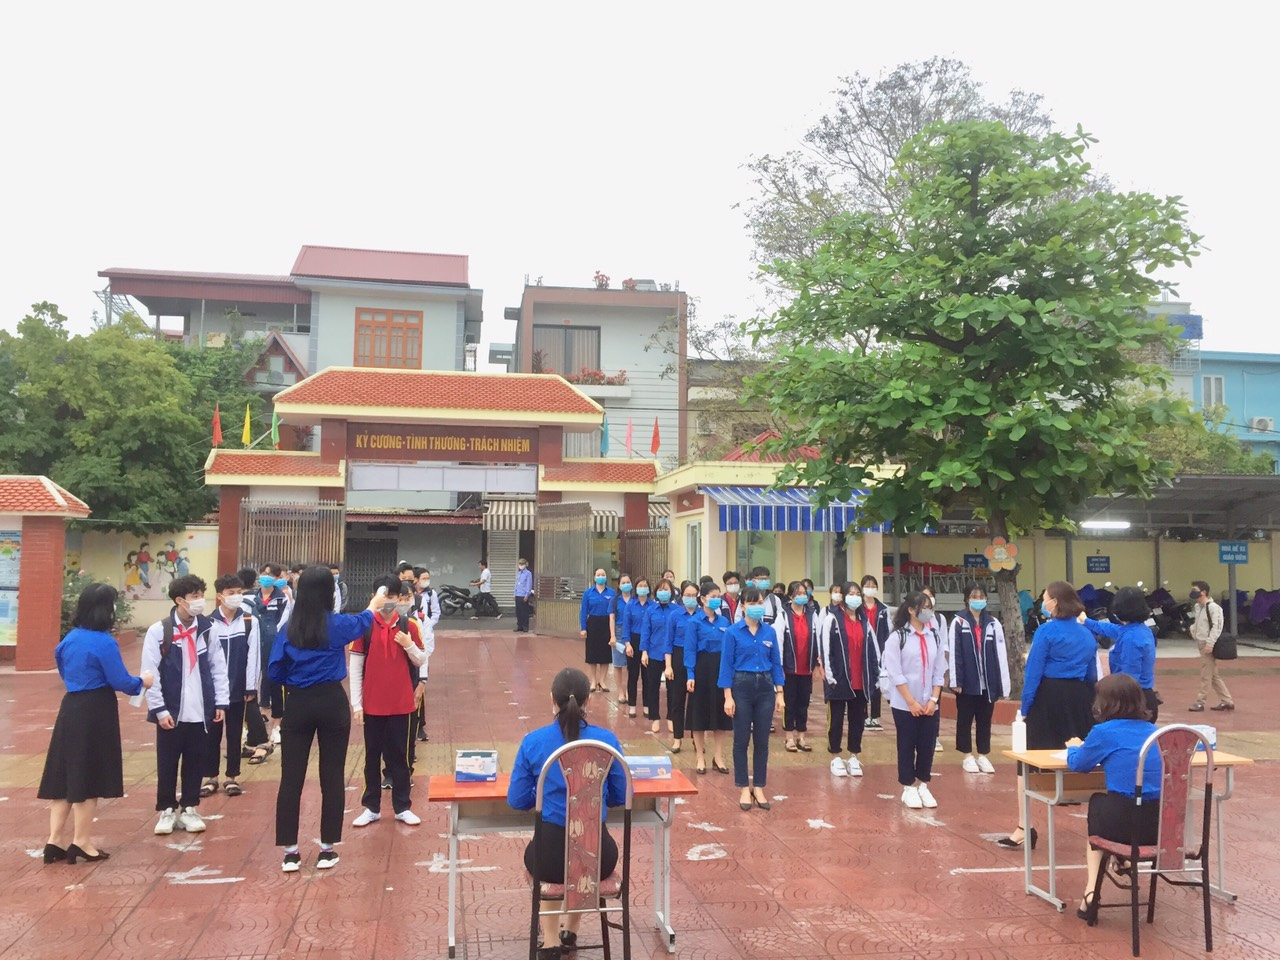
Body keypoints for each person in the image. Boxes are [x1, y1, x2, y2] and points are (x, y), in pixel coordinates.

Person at [509, 667, 628, 960]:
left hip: (548, 858)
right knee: (579, 856)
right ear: (587, 701)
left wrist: (543, 795)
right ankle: (570, 930)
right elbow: (621, 795)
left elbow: (517, 799)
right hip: (598, 858)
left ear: (552, 699)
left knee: (550, 855)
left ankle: (550, 942)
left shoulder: (533, 742)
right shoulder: (606, 741)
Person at [269, 566, 381, 872]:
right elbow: (364, 620)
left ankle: (290, 852)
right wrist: (375, 601)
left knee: (291, 778)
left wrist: (295, 679)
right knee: (332, 776)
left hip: (298, 702)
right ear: (328, 593)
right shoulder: (337, 624)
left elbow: (274, 671)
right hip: (332, 701)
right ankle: (327, 849)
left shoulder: (289, 629)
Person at [38, 583, 153, 864]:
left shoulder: (70, 638)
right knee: (89, 776)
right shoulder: (104, 642)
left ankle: (54, 840)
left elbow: (63, 669)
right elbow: (121, 682)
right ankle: (82, 841)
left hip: (71, 706)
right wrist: (143, 681)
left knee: (64, 775)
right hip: (96, 710)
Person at [1002, 580, 1097, 849]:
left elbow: (1033, 672)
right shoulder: (1087, 634)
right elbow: (1092, 675)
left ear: (1055, 603)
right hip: (1080, 699)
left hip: (1048, 699)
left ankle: (1024, 826)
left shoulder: (1046, 631)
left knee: (1027, 761)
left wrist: (1025, 709)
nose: (1043, 603)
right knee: (1082, 760)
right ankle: (1097, 829)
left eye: (1045, 598)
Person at [1066, 673, 1163, 921]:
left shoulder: (1104, 732)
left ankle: (1091, 890)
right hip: (1160, 826)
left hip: (1122, 823)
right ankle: (1122, 861)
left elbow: (1079, 764)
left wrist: (1073, 747)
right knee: (1121, 804)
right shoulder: (1156, 733)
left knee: (1099, 803)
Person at [142, 575, 230, 837]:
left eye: (201, 595)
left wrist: (220, 702)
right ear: (180, 600)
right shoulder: (160, 631)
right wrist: (159, 709)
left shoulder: (208, 629)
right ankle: (167, 809)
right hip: (171, 711)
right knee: (167, 762)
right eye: (195, 597)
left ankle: (190, 807)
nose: (200, 601)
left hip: (201, 710)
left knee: (195, 760)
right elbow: (150, 673)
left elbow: (218, 667)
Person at [351, 575, 427, 828]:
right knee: (372, 757)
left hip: (402, 704)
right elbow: (356, 667)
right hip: (373, 705)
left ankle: (402, 806)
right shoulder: (364, 626)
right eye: (383, 596)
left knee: (401, 758)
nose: (388, 601)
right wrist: (357, 705)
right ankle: (371, 807)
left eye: (392, 596)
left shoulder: (409, 625)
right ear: (374, 597)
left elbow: (421, 659)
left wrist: (409, 645)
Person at [719, 587, 785, 811]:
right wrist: (728, 697)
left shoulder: (769, 632)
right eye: (752, 603)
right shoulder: (732, 632)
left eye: (760, 603)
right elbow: (726, 665)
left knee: (762, 741)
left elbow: (776, 663)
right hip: (741, 686)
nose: (757, 607)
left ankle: (759, 786)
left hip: (765, 688)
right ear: (743, 606)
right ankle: (743, 787)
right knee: (741, 740)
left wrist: (780, 693)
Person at [882, 591, 948, 809]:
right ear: (911, 610)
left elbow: (939, 671)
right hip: (905, 704)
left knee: (927, 744)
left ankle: (923, 784)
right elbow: (895, 673)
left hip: (929, 702)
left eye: (930, 607)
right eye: (923, 607)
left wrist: (934, 699)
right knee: (907, 743)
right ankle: (908, 786)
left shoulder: (934, 636)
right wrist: (911, 702)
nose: (928, 611)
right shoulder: (897, 638)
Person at [204, 574, 262, 798]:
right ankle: (210, 777)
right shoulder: (208, 623)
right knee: (212, 734)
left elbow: (253, 656)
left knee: (235, 733)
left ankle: (232, 777)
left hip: (239, 688)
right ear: (220, 596)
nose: (236, 597)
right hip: (214, 691)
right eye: (231, 593)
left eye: (239, 592)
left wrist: (250, 687)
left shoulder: (249, 621)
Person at [948, 585, 1011, 774]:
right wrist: (956, 681)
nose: (978, 599)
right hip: (967, 683)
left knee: (985, 720)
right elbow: (955, 652)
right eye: (974, 596)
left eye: (981, 596)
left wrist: (1002, 685)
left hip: (988, 683)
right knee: (965, 719)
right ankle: (967, 755)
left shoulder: (993, 623)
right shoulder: (959, 622)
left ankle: (983, 755)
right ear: (967, 599)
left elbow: (1000, 654)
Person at [818, 581, 877, 777]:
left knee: (857, 720)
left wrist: (875, 674)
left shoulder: (864, 620)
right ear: (843, 596)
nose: (855, 596)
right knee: (835, 720)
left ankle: (853, 756)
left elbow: (873, 648)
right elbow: (825, 648)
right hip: (839, 679)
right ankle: (835, 756)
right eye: (851, 593)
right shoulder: (832, 618)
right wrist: (830, 675)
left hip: (860, 680)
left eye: (857, 593)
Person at [1081, 586, 1160, 722]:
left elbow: (1129, 678)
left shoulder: (1131, 638)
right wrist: (1086, 621)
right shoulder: (1140, 630)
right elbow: (1111, 628)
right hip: (1141, 696)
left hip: (1132, 701)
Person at [685, 581, 732, 774]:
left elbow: (729, 650)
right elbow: (689, 650)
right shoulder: (694, 622)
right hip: (701, 670)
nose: (716, 600)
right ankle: (699, 757)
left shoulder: (724, 622)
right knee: (699, 715)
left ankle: (718, 757)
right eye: (713, 597)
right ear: (703, 599)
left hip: (720, 670)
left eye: (718, 597)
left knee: (720, 716)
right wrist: (690, 674)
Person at [247, 564, 291, 747]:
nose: (266, 577)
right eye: (264, 574)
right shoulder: (252, 598)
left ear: (276, 578)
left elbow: (283, 623)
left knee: (274, 682)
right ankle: (255, 726)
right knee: (254, 682)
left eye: (270, 574)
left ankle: (277, 725)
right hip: (254, 645)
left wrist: (273, 638)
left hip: (274, 646)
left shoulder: (282, 599)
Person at [776, 581, 820, 752]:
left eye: (804, 593)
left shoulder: (812, 614)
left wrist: (817, 665)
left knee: (803, 703)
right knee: (790, 703)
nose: (802, 596)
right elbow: (779, 643)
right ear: (791, 596)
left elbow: (818, 640)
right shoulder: (784, 615)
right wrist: (779, 667)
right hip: (789, 669)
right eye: (798, 593)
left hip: (806, 668)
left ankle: (801, 736)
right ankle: (789, 737)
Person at [660, 581, 699, 752]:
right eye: (687, 595)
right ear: (682, 596)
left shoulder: (701, 615)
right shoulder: (675, 615)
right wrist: (668, 666)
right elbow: (667, 642)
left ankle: (696, 738)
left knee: (696, 702)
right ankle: (677, 739)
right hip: (678, 657)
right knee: (677, 700)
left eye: (694, 595)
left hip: (697, 658)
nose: (691, 598)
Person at [639, 579, 679, 737]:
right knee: (652, 686)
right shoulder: (650, 610)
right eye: (661, 589)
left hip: (672, 655)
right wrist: (644, 652)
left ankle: (671, 718)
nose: (664, 592)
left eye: (666, 589)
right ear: (656, 592)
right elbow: (645, 632)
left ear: (671, 592)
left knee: (672, 688)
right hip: (654, 652)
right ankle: (654, 717)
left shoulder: (677, 610)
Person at [1187, 580, 1234, 712]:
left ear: (1203, 592)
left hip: (1207, 644)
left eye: (1195, 590)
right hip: (1201, 642)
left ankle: (1200, 702)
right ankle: (1227, 701)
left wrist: (1210, 643)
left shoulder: (1213, 608)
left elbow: (1217, 627)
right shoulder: (1198, 607)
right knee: (1213, 675)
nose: (1192, 592)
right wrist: (1193, 631)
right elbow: (1197, 623)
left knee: (1206, 675)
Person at [410, 568, 440, 744]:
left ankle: (419, 726)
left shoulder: (428, 596)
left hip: (420, 654)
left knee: (418, 690)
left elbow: (434, 614)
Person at [857, 575, 890, 730]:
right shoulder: (858, 607)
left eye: (873, 586)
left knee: (877, 681)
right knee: (863, 680)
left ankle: (875, 716)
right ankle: (863, 714)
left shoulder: (883, 609)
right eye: (867, 585)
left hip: (879, 650)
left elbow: (887, 631)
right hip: (862, 648)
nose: (870, 588)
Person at [579, 568, 616, 692]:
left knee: (605, 654)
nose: (601, 577)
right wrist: (583, 628)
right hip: (593, 624)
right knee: (592, 654)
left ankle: (602, 681)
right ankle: (593, 681)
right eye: (598, 575)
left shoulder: (612, 592)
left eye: (603, 574)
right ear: (594, 577)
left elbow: (615, 611)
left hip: (607, 624)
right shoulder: (588, 593)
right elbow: (583, 611)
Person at [623, 577, 653, 718]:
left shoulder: (652, 605)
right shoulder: (630, 605)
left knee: (647, 677)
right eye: (640, 586)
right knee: (633, 675)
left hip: (648, 643)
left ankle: (647, 705)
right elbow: (626, 626)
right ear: (636, 588)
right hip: (634, 641)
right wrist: (627, 644)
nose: (642, 588)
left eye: (645, 586)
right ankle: (632, 706)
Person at [608, 573, 636, 710]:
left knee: (632, 665)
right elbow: (612, 618)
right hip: (619, 632)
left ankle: (630, 691)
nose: (626, 585)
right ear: (619, 585)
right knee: (618, 664)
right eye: (623, 582)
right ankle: (620, 691)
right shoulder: (614, 600)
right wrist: (612, 636)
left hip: (633, 632)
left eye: (628, 582)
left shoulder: (636, 599)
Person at [514, 558, 534, 633]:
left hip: (523, 595)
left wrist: (527, 595)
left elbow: (529, 585)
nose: (520, 565)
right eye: (520, 564)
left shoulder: (528, 573)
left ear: (525, 564)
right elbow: (516, 584)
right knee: (518, 612)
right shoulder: (519, 573)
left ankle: (525, 626)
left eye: (522, 564)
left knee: (524, 612)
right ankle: (519, 626)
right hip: (518, 594)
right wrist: (514, 594)